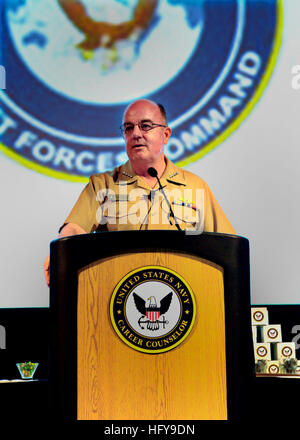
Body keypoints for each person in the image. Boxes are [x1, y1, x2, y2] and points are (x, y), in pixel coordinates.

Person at [43, 99, 235, 285]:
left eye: (145, 126)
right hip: (117, 294)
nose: (136, 134)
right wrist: (62, 250)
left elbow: (226, 248)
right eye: (128, 128)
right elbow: (75, 228)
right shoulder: (103, 185)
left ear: (166, 134)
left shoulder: (194, 186)